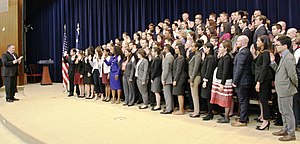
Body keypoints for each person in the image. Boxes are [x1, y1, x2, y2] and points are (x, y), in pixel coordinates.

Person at [270, 36, 297, 141]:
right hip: (281, 89)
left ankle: (291, 133)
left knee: (287, 112)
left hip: (287, 89)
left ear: (285, 46)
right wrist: (273, 62)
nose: (276, 46)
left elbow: (292, 75)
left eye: (277, 45)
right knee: (282, 110)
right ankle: (285, 129)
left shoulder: (289, 58)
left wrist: (295, 85)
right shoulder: (283, 57)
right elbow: (279, 71)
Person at [231, 35, 253, 127]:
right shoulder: (243, 51)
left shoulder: (243, 53)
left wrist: (235, 81)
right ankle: (243, 117)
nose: (236, 42)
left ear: (244, 42)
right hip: (244, 80)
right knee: (243, 100)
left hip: (242, 81)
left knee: (243, 100)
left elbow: (239, 68)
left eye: (238, 41)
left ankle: (243, 120)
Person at [210, 40, 234, 123]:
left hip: (225, 81)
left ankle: (226, 117)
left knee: (226, 99)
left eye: (220, 47)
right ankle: (226, 116)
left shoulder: (227, 58)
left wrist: (222, 83)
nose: (219, 48)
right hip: (220, 80)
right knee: (223, 99)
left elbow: (225, 71)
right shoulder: (223, 57)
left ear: (225, 48)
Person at [254, 35, 273, 130]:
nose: (256, 42)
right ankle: (264, 118)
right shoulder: (261, 53)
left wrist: (259, 81)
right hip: (260, 78)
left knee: (264, 100)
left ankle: (266, 121)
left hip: (264, 80)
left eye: (258, 41)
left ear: (263, 42)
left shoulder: (266, 53)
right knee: (261, 99)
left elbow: (264, 68)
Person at [201, 42, 216, 120]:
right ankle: (209, 112)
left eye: (205, 47)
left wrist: (205, 80)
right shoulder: (208, 57)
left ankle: (210, 113)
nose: (204, 49)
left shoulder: (210, 58)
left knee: (208, 97)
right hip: (206, 79)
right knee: (206, 97)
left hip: (208, 80)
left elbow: (209, 70)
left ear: (208, 48)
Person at [172, 44, 188, 115]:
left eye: (176, 48)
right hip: (179, 77)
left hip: (180, 78)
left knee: (179, 93)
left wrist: (175, 79)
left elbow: (179, 70)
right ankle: (181, 108)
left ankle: (181, 110)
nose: (175, 50)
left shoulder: (181, 59)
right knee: (179, 93)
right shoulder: (178, 58)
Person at [188, 42, 202, 118]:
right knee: (194, 95)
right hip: (193, 76)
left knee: (195, 95)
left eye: (193, 46)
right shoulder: (195, 55)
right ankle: (195, 110)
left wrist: (192, 79)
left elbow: (196, 68)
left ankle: (197, 111)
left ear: (196, 47)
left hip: (196, 76)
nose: (191, 48)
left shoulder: (198, 55)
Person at [161, 44, 174, 114]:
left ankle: (168, 108)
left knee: (167, 94)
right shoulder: (171, 57)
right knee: (169, 94)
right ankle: (170, 107)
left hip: (167, 78)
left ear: (166, 49)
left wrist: (163, 79)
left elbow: (165, 70)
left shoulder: (167, 58)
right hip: (170, 78)